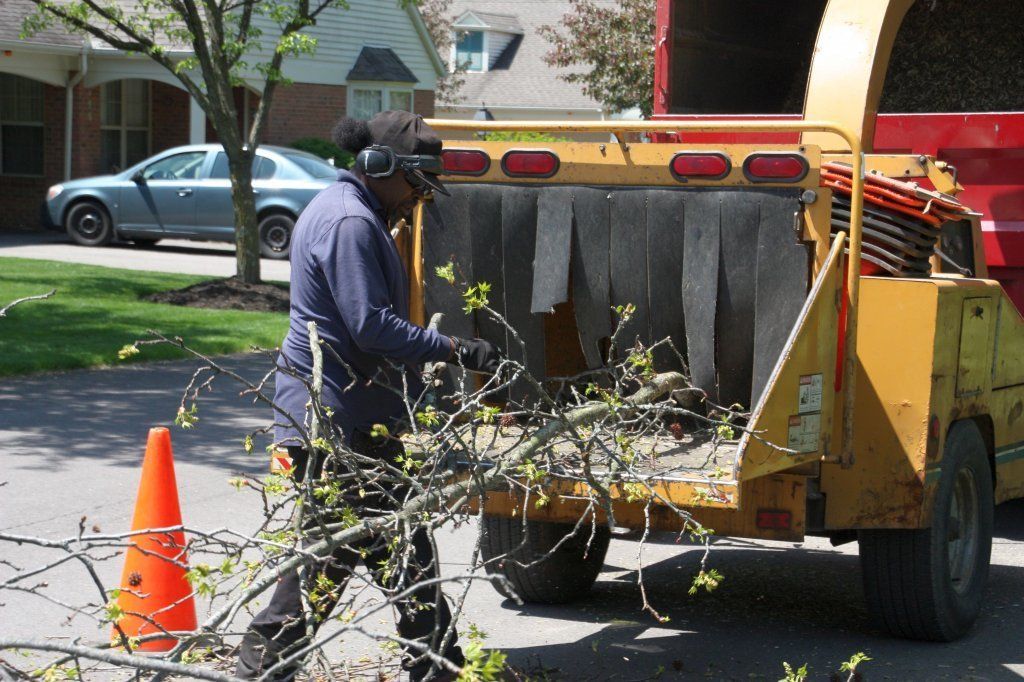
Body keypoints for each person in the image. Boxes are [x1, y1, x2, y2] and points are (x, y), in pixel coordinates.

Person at [236, 110, 501, 681]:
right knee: (340, 558)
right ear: (380, 166)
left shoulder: (349, 211)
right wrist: (454, 348)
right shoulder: (351, 223)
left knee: (390, 551)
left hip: (346, 413)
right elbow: (370, 326)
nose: (417, 198)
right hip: (339, 418)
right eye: (415, 183)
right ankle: (260, 669)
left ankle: (437, 665)